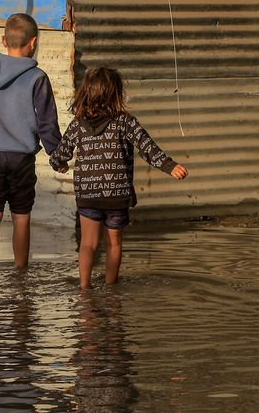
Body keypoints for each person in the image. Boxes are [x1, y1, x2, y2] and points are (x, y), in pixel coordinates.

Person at [49, 66, 188, 289]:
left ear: (85, 93)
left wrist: (59, 164)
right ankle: (112, 288)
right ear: (117, 94)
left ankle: (84, 288)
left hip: (89, 195)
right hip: (117, 195)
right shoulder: (125, 122)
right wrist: (169, 167)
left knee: (88, 243)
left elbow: (61, 153)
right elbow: (147, 148)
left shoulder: (78, 124)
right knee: (113, 244)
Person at [0, 13, 62, 279]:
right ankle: (20, 271)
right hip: (20, 158)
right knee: (21, 216)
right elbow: (47, 122)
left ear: (4, 40)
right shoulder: (38, 77)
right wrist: (57, 155)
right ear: (34, 42)